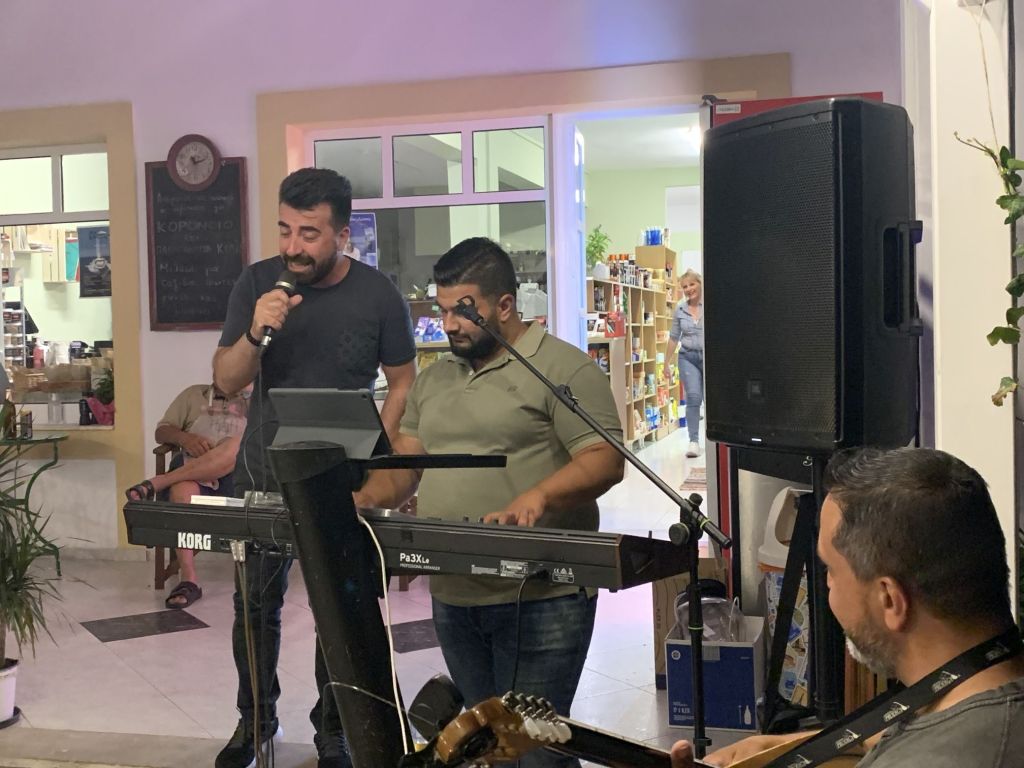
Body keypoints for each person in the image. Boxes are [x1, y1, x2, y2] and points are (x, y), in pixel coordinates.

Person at [354, 237, 625, 768]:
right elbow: (407, 463)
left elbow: (604, 458)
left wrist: (539, 495)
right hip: (455, 596)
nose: (449, 324)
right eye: (442, 310)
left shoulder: (562, 368)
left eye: (463, 310)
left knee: (539, 754)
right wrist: (362, 499)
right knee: (485, 752)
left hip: (543, 595)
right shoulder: (434, 380)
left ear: (505, 305)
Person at [211, 167, 417, 768]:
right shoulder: (258, 283)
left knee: (338, 609)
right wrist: (256, 330)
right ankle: (255, 720)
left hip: (343, 479)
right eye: (284, 230)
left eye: (309, 233)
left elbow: (403, 379)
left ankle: (335, 730)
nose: (293, 246)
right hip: (263, 472)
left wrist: (380, 447)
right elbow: (226, 380)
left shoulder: (378, 294)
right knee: (254, 606)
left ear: (342, 235)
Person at [670, 447, 1024, 768]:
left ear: (889, 600)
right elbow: (901, 733)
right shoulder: (978, 687)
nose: (827, 585)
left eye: (831, 570)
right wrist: (777, 748)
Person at [125, 382, 249, 609]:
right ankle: (189, 580)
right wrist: (186, 439)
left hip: (236, 481)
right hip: (192, 472)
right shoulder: (193, 395)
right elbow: (162, 431)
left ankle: (157, 482)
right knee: (182, 490)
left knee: (235, 445)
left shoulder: (256, 399)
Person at [665, 269, 704, 459]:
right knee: (694, 397)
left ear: (700, 283)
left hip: (709, 358)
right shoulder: (680, 310)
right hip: (688, 357)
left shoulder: (710, 305)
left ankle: (715, 441)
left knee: (713, 400)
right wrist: (666, 363)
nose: (689, 289)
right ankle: (693, 441)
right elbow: (674, 337)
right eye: (685, 287)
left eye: (692, 284)